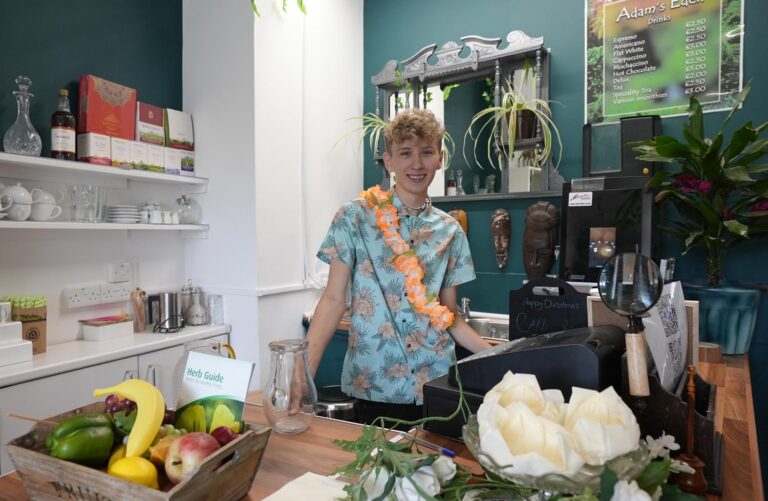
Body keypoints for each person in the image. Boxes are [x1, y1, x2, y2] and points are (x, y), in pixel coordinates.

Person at [306, 109, 491, 425]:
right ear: (389, 161)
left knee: (438, 468)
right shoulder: (354, 218)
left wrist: (500, 358)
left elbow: (449, 316)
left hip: (438, 382)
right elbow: (334, 300)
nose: (416, 164)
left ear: (440, 158)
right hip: (374, 383)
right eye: (405, 153)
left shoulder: (451, 231)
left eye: (426, 152)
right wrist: (302, 375)